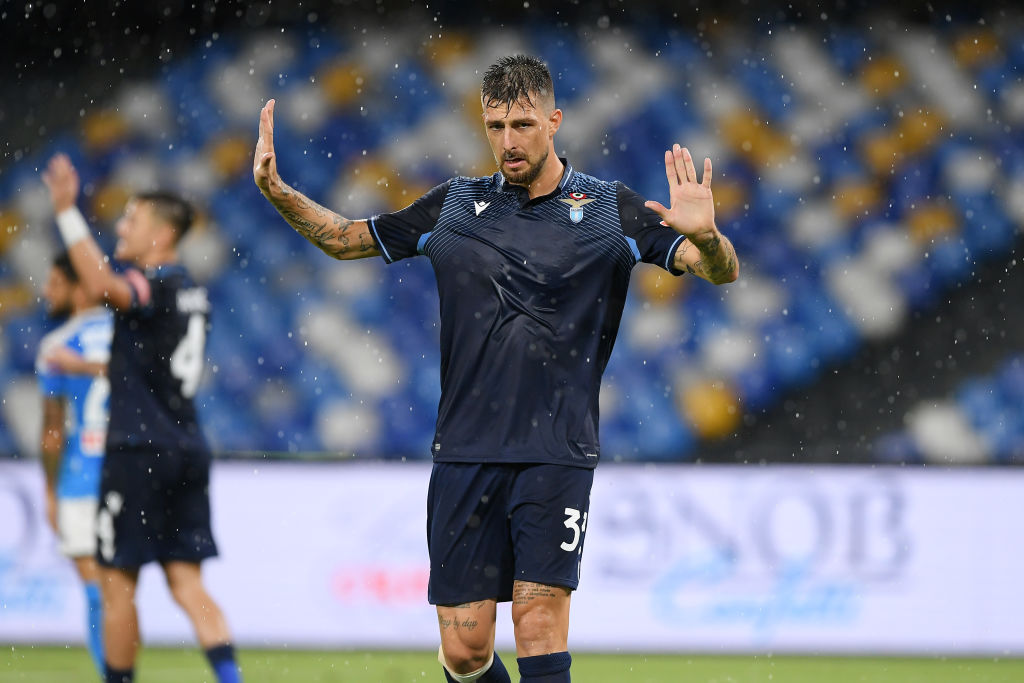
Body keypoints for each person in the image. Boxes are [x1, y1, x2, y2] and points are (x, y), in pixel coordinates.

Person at [253, 54, 738, 682]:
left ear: (555, 120)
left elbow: (721, 271)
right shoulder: (452, 208)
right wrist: (277, 192)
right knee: (466, 651)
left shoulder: (610, 210)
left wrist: (704, 238)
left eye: (524, 125)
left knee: (538, 629)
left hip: (555, 451)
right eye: (496, 126)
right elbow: (345, 239)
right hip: (465, 450)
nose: (509, 142)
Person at [42, 154, 242, 683]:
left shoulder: (153, 286)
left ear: (159, 232)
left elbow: (109, 288)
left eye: (130, 220)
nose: (121, 228)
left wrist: (66, 212)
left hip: (136, 451)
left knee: (116, 585)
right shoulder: (193, 293)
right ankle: (231, 678)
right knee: (187, 583)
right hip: (187, 447)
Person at [37, 251, 113, 678]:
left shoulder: (58, 346)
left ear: (79, 287)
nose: (46, 291)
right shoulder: (130, 332)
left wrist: (50, 489)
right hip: (127, 470)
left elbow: (52, 432)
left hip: (83, 478)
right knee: (119, 588)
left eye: (55, 283)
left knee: (94, 587)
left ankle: (112, 674)